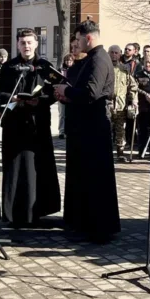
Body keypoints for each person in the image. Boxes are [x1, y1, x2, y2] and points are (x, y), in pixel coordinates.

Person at [53, 21, 121, 243]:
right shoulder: (89, 59)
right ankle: (82, 222)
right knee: (83, 178)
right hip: (82, 129)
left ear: (88, 38)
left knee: (96, 179)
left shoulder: (99, 60)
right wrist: (66, 93)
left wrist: (67, 91)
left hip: (94, 130)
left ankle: (98, 227)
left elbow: (91, 93)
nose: (76, 43)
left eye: (78, 39)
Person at [0, 28, 61, 228]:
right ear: (17, 44)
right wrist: (13, 98)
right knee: (16, 167)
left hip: (37, 124)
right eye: (23, 43)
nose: (26, 46)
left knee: (38, 167)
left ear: (36, 44)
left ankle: (39, 210)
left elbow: (53, 92)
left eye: (30, 42)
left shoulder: (45, 67)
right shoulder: (8, 67)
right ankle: (15, 212)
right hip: (15, 124)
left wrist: (39, 101)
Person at [62, 36, 88, 227]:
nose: (74, 49)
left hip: (85, 126)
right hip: (72, 123)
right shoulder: (72, 69)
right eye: (71, 47)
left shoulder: (89, 65)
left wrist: (68, 93)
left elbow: (88, 94)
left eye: (76, 45)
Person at [108, 45, 138, 161]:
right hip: (107, 106)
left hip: (121, 106)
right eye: (112, 52)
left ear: (120, 54)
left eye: (116, 53)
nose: (114, 55)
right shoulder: (105, 68)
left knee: (121, 131)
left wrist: (134, 100)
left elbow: (132, 86)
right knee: (106, 130)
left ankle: (120, 153)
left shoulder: (125, 69)